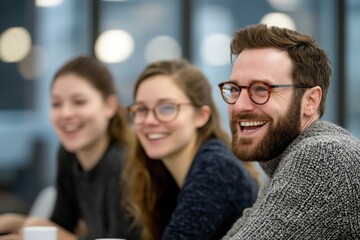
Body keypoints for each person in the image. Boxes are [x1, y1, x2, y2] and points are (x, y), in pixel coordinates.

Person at [218, 24, 360, 239]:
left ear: (310, 101)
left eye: (261, 89)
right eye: (235, 89)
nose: (239, 105)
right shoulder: (284, 166)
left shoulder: (325, 155)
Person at [0, 56, 140, 240]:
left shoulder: (123, 161)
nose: (65, 113)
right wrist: (17, 224)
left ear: (109, 106)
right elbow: (60, 224)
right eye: (56, 104)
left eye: (79, 102)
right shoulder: (69, 154)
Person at [123, 58, 260, 240]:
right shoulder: (162, 175)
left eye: (166, 108)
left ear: (201, 116)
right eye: (141, 109)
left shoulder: (215, 167)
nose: (149, 120)